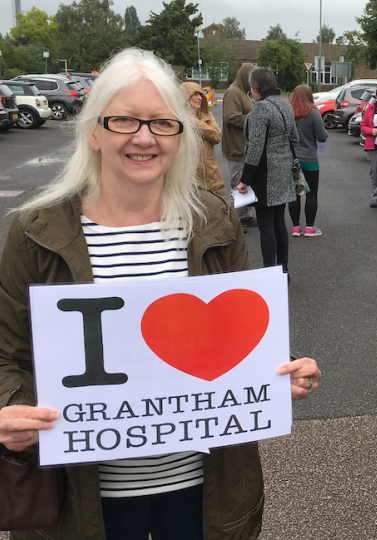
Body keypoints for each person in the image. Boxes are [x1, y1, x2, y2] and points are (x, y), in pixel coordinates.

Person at [0, 48, 321, 540]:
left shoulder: (214, 221)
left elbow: (234, 334)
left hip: (200, 489)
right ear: (93, 131)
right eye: (124, 120)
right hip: (86, 498)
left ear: (181, 133)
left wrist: (283, 368)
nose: (144, 137)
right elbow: (8, 354)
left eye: (162, 123)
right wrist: (12, 406)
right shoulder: (35, 231)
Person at [237, 67, 299, 273]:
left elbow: (255, 149)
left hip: (265, 175)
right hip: (283, 172)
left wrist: (244, 180)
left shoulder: (260, 109)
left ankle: (269, 273)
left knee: (265, 225)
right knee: (279, 222)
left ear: (256, 89)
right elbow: (294, 138)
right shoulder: (285, 104)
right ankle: (283, 270)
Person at [288, 84, 328, 237]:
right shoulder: (314, 114)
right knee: (312, 194)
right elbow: (322, 137)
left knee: (294, 194)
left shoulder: (288, 113)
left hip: (292, 160)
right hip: (310, 160)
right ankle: (310, 228)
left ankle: (296, 228)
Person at [222, 63, 257, 228]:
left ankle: (244, 217)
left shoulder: (243, 92)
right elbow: (231, 116)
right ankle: (231, 222)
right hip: (236, 147)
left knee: (245, 182)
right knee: (238, 185)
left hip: (244, 146)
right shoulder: (233, 92)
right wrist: (253, 120)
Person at [180, 81, 225, 196]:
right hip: (189, 178)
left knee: (213, 210)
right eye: (195, 94)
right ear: (185, 97)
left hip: (210, 176)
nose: (199, 98)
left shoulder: (207, 116)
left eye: (200, 95)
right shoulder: (177, 118)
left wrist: (197, 123)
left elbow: (217, 136)